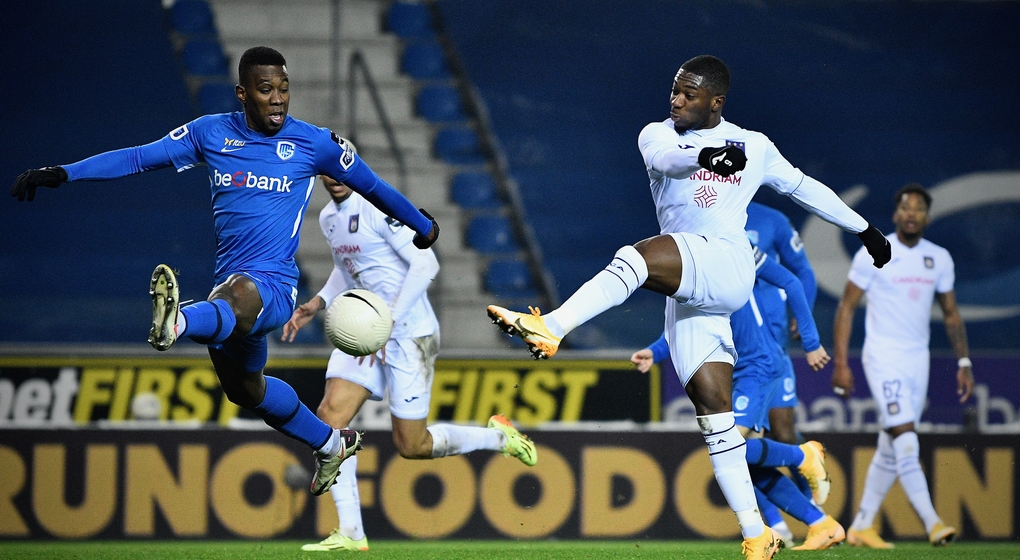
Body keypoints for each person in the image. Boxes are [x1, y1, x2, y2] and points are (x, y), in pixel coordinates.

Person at [486, 54, 891, 559]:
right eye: (675, 90)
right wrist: (706, 158)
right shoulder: (657, 133)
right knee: (715, 419)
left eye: (689, 94)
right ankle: (757, 535)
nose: (676, 100)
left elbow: (804, 188)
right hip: (691, 291)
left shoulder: (755, 146)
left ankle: (553, 326)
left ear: (716, 101)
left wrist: (864, 228)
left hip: (725, 265)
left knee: (637, 255)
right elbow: (664, 161)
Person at [10, 46, 440, 497]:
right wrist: (64, 172)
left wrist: (423, 226)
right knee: (246, 390)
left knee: (234, 299)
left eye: (284, 89)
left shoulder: (313, 143)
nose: (277, 98)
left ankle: (177, 321)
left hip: (272, 288)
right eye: (266, 89)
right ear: (242, 93)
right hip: (229, 292)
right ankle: (330, 442)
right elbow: (138, 158)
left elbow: (371, 186)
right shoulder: (210, 133)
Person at [283, 174, 536, 552]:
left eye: (340, 170)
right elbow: (345, 267)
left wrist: (390, 321)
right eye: (327, 172)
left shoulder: (379, 209)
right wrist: (317, 303)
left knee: (412, 445)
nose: (334, 178)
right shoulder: (327, 219)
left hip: (408, 333)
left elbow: (426, 265)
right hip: (364, 329)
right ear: (320, 175)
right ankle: (351, 531)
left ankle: (499, 436)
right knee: (330, 416)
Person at [632, 244, 844, 550]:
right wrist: (655, 351)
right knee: (737, 460)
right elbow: (686, 324)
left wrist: (811, 341)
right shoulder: (691, 255)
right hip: (741, 367)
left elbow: (793, 281)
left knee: (729, 451)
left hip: (758, 363)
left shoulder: (731, 248)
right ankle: (819, 523)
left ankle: (803, 456)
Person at [832, 183, 974, 548]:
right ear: (895, 215)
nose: (911, 214)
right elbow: (846, 307)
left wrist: (963, 360)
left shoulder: (939, 258)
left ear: (927, 216)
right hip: (882, 357)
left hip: (917, 360)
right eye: (905, 208)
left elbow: (951, 314)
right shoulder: (875, 252)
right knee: (906, 435)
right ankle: (933, 522)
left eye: (919, 209)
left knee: (892, 441)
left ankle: (862, 524)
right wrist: (842, 363)